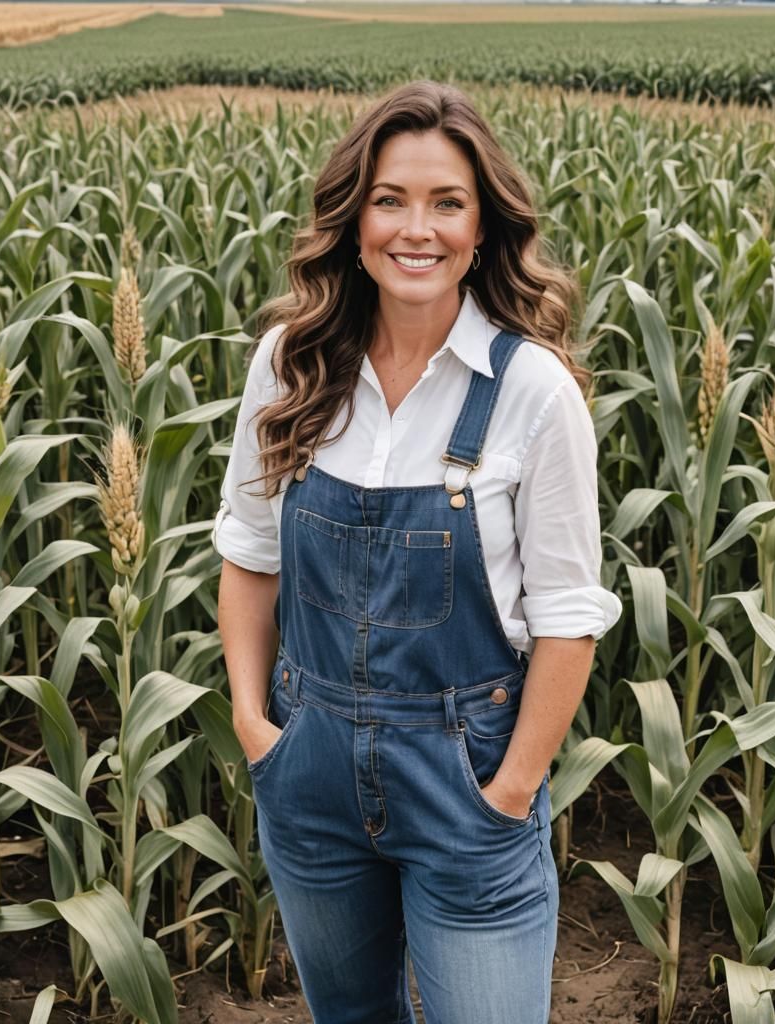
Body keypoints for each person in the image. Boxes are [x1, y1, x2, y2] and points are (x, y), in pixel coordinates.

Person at [211, 79, 622, 1024]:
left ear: (483, 231)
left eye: (447, 203)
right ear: (354, 221)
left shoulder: (533, 391)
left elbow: (567, 619)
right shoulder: (289, 365)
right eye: (390, 200)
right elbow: (248, 553)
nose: (416, 229)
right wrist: (253, 724)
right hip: (307, 766)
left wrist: (509, 790)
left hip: (467, 783)